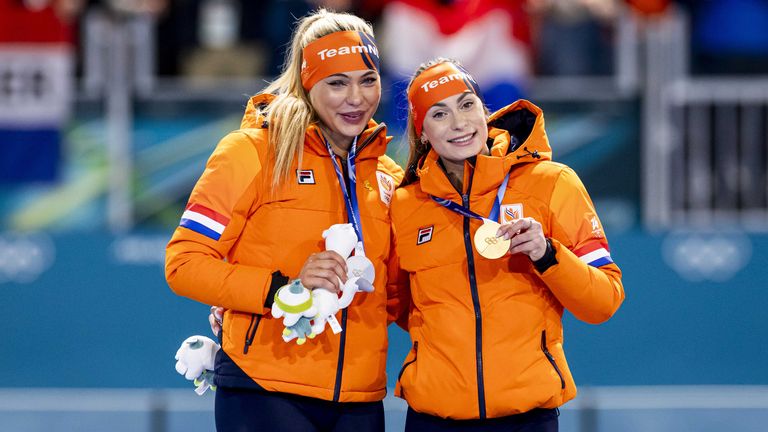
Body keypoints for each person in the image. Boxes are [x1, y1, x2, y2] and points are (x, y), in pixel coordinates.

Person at [165, 9, 403, 432]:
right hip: (266, 390)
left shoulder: (387, 177)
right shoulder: (252, 152)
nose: (356, 97)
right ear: (308, 84)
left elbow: (401, 294)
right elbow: (184, 263)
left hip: (359, 399)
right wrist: (280, 289)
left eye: (368, 80)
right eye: (337, 83)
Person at [388, 59, 625, 431]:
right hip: (432, 419)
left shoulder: (551, 183)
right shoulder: (406, 205)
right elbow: (399, 303)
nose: (459, 123)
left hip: (526, 417)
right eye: (439, 114)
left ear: (485, 111)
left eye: (467, 105)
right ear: (422, 132)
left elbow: (603, 302)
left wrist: (547, 254)